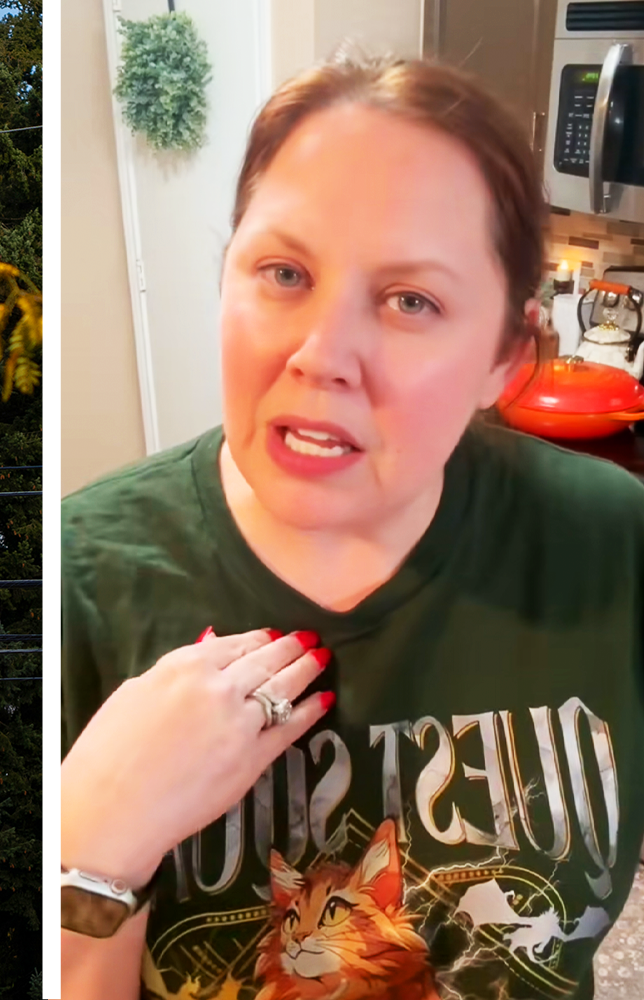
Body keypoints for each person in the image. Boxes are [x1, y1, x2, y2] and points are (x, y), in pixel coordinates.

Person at [61, 54, 644, 998]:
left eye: (411, 300)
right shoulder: (78, 581)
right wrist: (90, 848)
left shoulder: (611, 545)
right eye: (283, 272)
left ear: (505, 356)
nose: (322, 353)